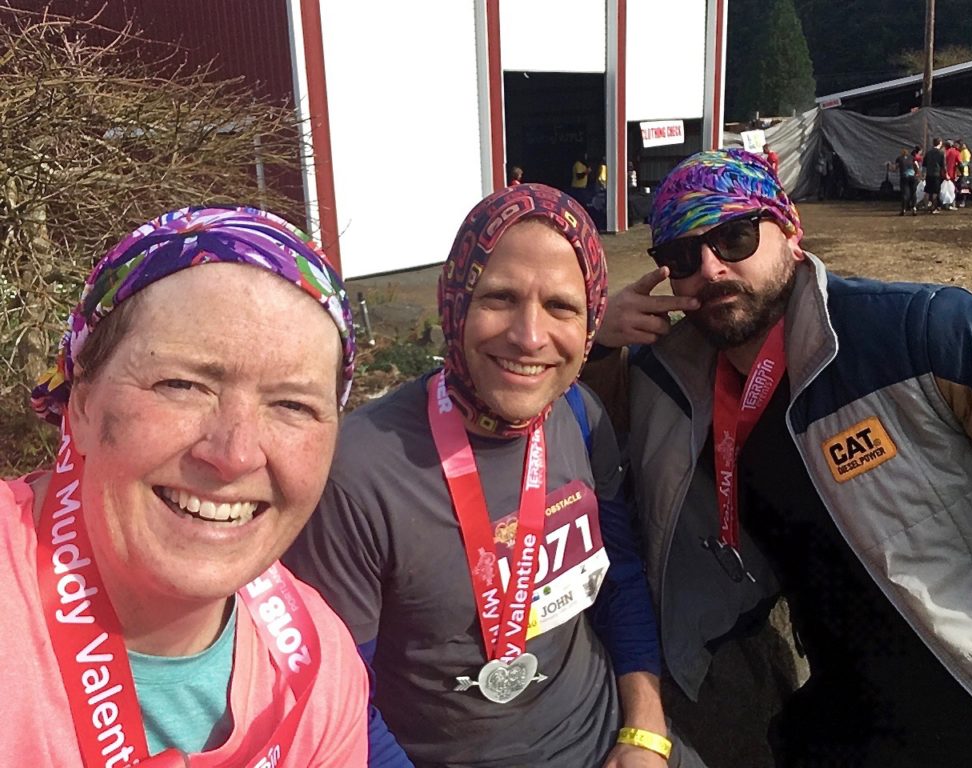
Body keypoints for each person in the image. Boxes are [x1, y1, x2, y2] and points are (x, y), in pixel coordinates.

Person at [584, 149, 972, 766]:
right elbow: (579, 450)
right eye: (682, 257)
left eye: (734, 236)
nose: (709, 269)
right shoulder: (667, 380)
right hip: (841, 714)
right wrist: (593, 340)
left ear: (791, 233)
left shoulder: (910, 332)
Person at [286, 184, 693, 768]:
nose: (529, 336)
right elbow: (341, 695)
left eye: (561, 307)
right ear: (455, 302)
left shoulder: (581, 415)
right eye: (500, 297)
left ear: (589, 324)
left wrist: (646, 733)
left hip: (612, 735)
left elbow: (619, 579)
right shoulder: (357, 474)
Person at [6, 207, 368, 765]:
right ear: (80, 404)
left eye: (293, 405)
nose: (234, 454)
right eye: (182, 384)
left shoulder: (322, 668)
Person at [889, 147, 919, 216]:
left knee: (905, 194)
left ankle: (904, 209)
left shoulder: (899, 158)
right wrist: (917, 173)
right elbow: (916, 166)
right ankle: (914, 208)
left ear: (901, 153)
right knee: (913, 193)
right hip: (913, 177)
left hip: (904, 177)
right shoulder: (912, 158)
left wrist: (889, 165)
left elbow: (894, 169)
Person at [923, 137, 945, 212]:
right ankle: (934, 207)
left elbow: (924, 164)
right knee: (936, 191)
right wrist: (946, 174)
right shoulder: (941, 153)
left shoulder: (928, 153)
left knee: (928, 191)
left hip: (929, 174)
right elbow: (943, 165)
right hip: (937, 174)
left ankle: (926, 205)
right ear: (940, 143)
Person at [942, 140, 961, 209]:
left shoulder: (943, 152)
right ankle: (952, 204)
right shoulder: (956, 152)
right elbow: (960, 163)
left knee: (943, 189)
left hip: (943, 173)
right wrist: (960, 173)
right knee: (952, 189)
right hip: (952, 174)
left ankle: (943, 204)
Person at [956, 139, 972, 208]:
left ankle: (963, 202)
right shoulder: (961, 151)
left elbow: (967, 162)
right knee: (959, 187)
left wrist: (960, 165)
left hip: (964, 172)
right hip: (959, 172)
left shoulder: (965, 152)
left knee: (964, 187)